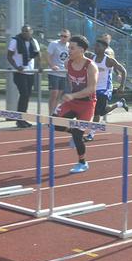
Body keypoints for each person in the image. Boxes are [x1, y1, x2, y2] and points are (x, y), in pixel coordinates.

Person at [52, 35, 98, 174]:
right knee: (53, 123)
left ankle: (82, 163)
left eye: (72, 48)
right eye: (68, 48)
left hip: (87, 104)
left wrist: (72, 95)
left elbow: (91, 89)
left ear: (82, 50)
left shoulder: (91, 66)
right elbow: (72, 81)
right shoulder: (68, 63)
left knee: (78, 137)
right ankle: (74, 131)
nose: (69, 51)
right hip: (72, 101)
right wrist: (70, 96)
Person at [84, 36, 128, 141]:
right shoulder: (91, 57)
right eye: (95, 46)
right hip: (93, 88)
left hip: (105, 89)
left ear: (104, 48)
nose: (95, 48)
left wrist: (122, 85)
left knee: (97, 113)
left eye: (98, 46)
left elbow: (123, 71)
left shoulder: (108, 60)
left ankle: (91, 134)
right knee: (100, 111)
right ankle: (120, 104)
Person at [6, 24, 40, 127]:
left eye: (27, 31)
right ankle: (19, 119)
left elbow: (38, 55)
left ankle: (23, 118)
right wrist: (17, 67)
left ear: (31, 32)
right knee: (24, 94)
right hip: (19, 72)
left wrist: (39, 66)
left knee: (27, 95)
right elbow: (9, 56)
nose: (25, 33)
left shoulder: (34, 41)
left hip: (30, 72)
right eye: (23, 31)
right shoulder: (15, 40)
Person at [47, 29, 71, 114]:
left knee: (59, 94)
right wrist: (52, 66)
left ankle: (54, 112)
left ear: (69, 37)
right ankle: (50, 114)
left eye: (65, 36)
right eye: (61, 36)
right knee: (54, 93)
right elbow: (48, 57)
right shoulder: (54, 44)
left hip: (64, 73)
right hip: (54, 73)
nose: (63, 38)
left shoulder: (69, 46)